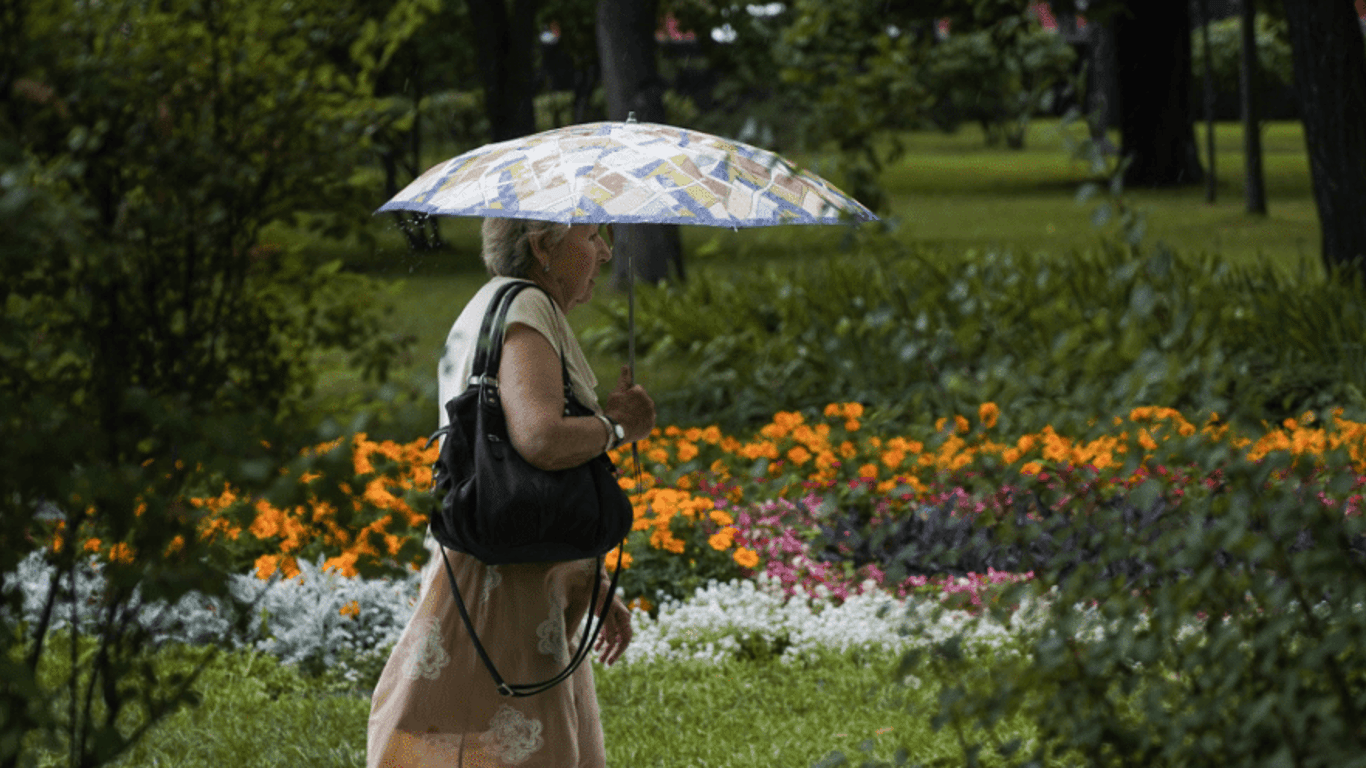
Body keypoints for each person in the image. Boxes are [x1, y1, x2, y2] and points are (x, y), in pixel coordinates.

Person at [367, 218, 655, 768]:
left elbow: (520, 473)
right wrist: (619, 427)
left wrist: (583, 578)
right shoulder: (526, 309)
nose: (605, 249)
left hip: (508, 572)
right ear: (543, 246)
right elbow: (541, 441)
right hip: (501, 589)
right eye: (590, 236)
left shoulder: (493, 303)